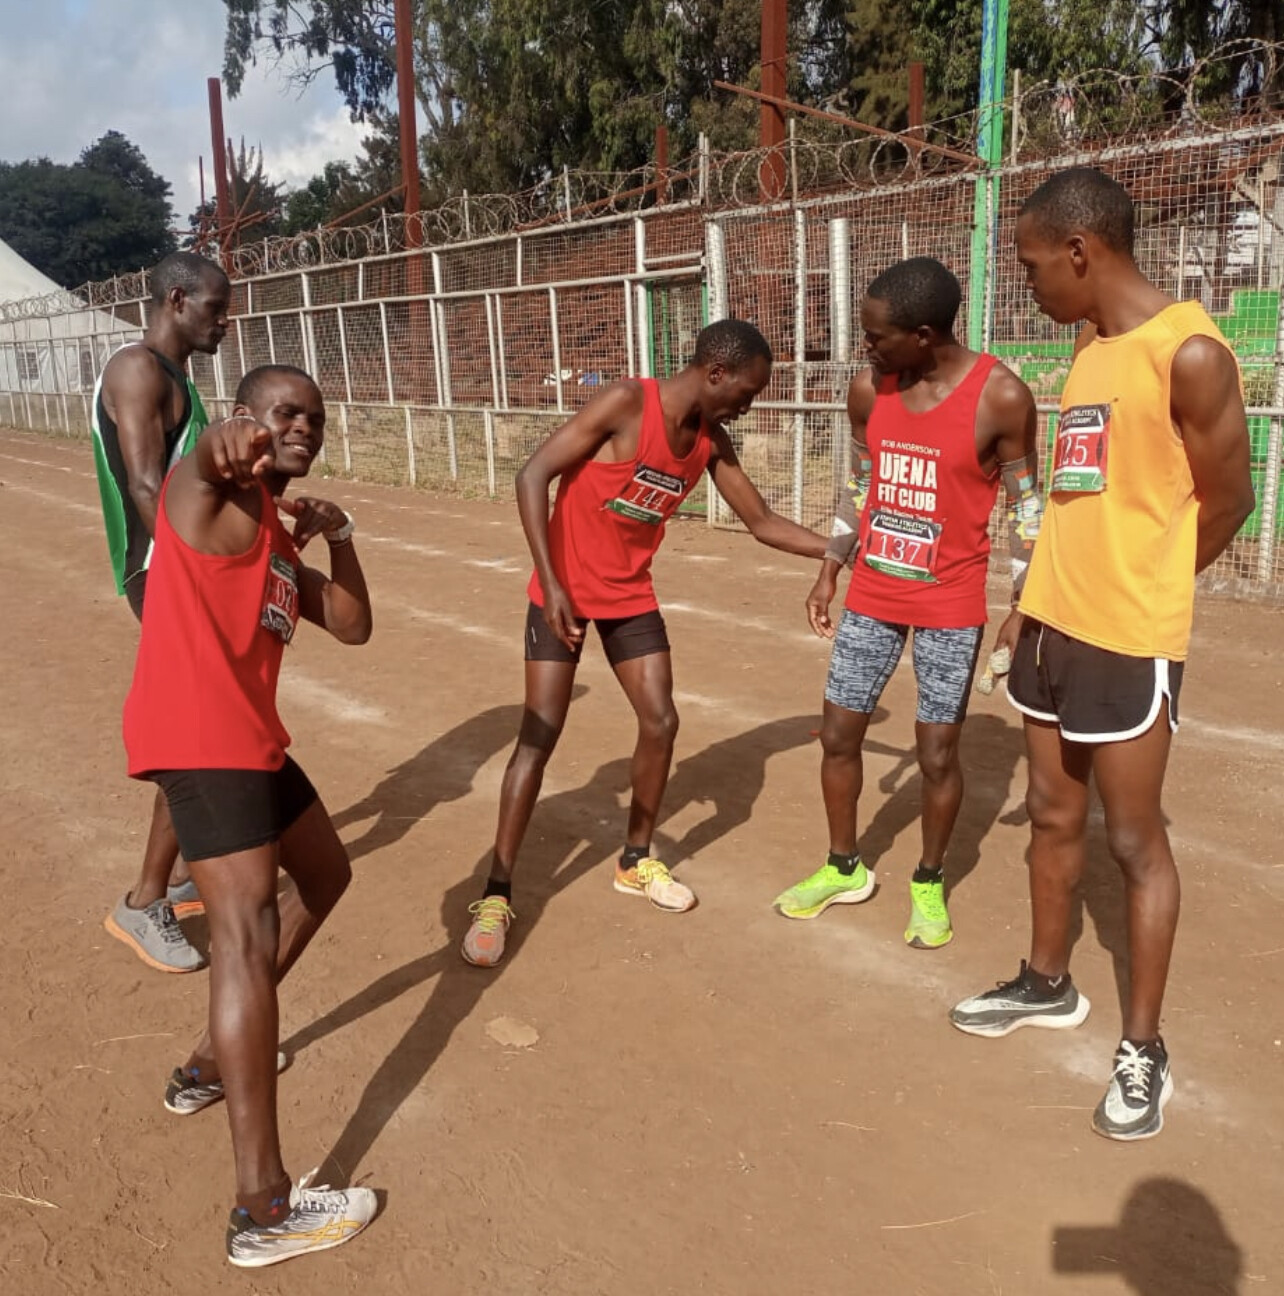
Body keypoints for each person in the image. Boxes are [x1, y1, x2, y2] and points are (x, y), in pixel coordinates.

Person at [949, 168, 1255, 1141]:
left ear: (1081, 253)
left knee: (1134, 842)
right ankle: (1047, 982)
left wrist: (1147, 585)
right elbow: (1080, 498)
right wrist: (1028, 603)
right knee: (1051, 814)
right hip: (1051, 625)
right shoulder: (1089, 347)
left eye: (1034, 266)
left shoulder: (1190, 354)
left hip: (1128, 637)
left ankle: (1143, 1049)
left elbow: (1231, 501)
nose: (1029, 284)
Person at [461, 319, 830, 968]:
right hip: (563, 593)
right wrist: (551, 584)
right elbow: (532, 475)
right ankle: (496, 893)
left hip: (628, 596)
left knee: (661, 721)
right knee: (538, 737)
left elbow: (762, 521)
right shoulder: (626, 403)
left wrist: (844, 549)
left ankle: (634, 860)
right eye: (747, 393)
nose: (749, 406)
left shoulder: (710, 441)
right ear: (716, 373)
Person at [122, 364, 378, 1264]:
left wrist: (338, 534)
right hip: (201, 740)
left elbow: (353, 624)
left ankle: (207, 1067)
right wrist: (226, 444)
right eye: (284, 414)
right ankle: (263, 1210)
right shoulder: (207, 496)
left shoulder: (272, 528)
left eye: (316, 418)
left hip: (249, 739)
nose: (303, 427)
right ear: (244, 418)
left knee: (327, 875)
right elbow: (205, 460)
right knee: (243, 934)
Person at [772, 257, 1040, 950]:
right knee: (839, 734)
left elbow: (1027, 510)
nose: (865, 348)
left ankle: (928, 879)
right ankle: (843, 867)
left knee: (937, 754)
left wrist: (1023, 606)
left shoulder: (1001, 398)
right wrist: (831, 566)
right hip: (873, 595)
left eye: (875, 336)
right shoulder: (869, 389)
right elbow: (859, 485)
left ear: (924, 335)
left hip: (951, 604)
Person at [94, 251, 231, 973]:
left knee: (206, 725)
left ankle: (177, 878)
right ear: (177, 299)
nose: (225, 323)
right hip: (163, 574)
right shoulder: (137, 370)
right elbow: (149, 487)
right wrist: (200, 583)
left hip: (183, 569)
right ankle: (144, 900)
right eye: (216, 308)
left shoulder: (175, 376)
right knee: (192, 736)